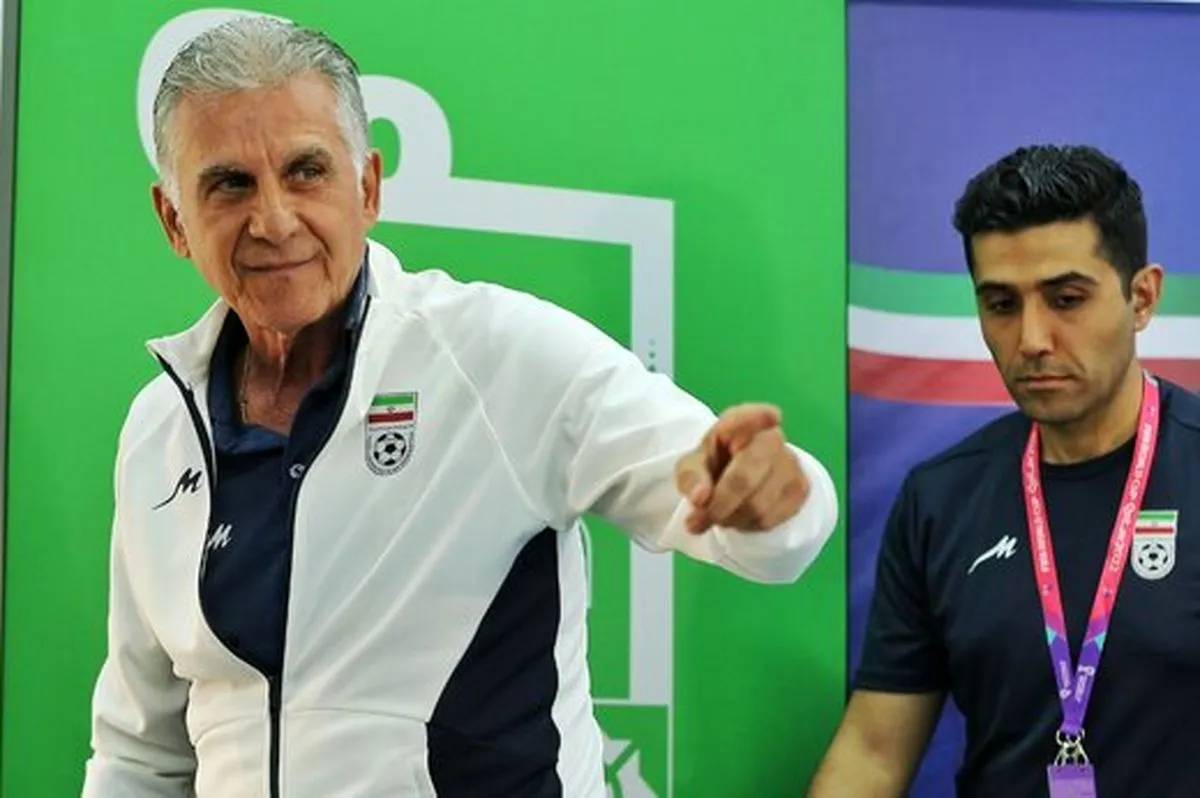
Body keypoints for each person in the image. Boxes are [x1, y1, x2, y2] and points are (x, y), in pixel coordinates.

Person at [80, 15, 838, 798]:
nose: (274, 220)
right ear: (174, 220)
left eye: (306, 171)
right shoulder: (159, 430)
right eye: (230, 184)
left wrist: (778, 502)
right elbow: (141, 756)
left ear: (368, 187)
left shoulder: (496, 355)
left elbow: (752, 520)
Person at [810, 144, 1200, 797]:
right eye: (1001, 304)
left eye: (1066, 299)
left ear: (1142, 298)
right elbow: (874, 752)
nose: (1032, 339)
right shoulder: (941, 498)